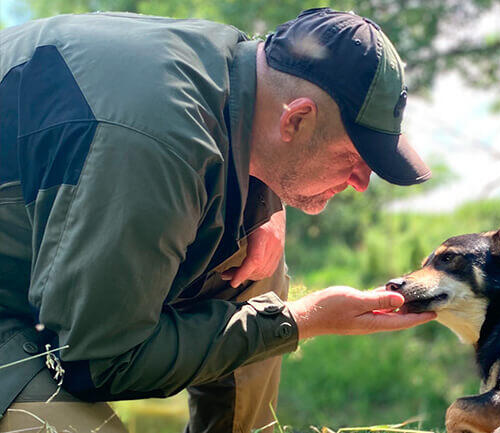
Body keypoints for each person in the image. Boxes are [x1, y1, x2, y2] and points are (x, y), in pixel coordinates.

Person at [0, 8, 436, 432]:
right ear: (297, 119)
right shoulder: (153, 146)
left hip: (34, 269)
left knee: (255, 258)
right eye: (354, 157)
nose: (361, 182)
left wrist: (265, 201)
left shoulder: (231, 68)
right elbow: (98, 363)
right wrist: (301, 320)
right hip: (26, 315)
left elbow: (249, 116)